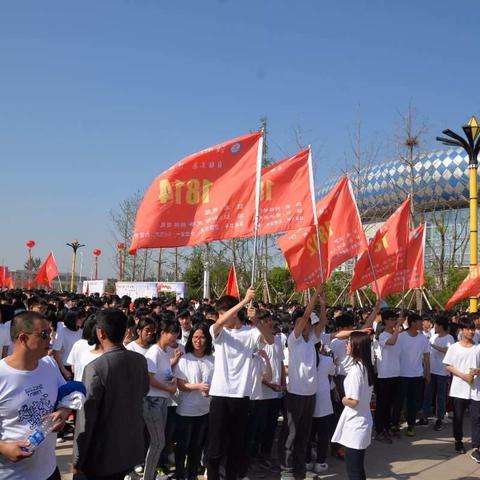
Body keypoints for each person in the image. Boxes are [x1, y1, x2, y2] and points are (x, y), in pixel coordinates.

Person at [73, 309, 149, 480]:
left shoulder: (96, 367)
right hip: (130, 447)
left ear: (100, 332)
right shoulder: (139, 361)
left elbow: (86, 418)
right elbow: (144, 391)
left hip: (102, 454)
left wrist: (77, 459)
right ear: (126, 332)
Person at [207, 287, 273, 480]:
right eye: (220, 314)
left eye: (223, 313)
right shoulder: (218, 332)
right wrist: (244, 301)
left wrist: (256, 321)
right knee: (215, 446)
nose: (221, 317)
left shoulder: (250, 333)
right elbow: (218, 323)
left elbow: (269, 340)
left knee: (237, 445)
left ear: (235, 314)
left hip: (242, 396)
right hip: (220, 394)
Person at [0, 311, 70, 480]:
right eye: (44, 335)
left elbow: (68, 394)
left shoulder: (50, 364)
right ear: (23, 338)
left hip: (49, 471)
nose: (50, 340)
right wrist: (3, 448)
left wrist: (63, 412)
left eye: (50, 333)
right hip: (11, 475)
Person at [331, 331, 374, 480]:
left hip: (355, 423)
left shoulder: (356, 370)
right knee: (358, 468)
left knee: (353, 469)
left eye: (349, 342)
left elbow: (353, 401)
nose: (346, 345)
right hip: (361, 420)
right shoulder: (365, 367)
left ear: (356, 346)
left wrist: (343, 399)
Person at [175, 322, 214, 480]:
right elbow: (181, 384)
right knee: (183, 445)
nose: (198, 340)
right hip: (186, 410)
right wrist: (198, 386)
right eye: (195, 337)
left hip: (205, 410)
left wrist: (209, 389)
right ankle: (179, 474)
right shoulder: (185, 359)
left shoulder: (213, 360)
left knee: (196, 447)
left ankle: (192, 474)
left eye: (202, 337)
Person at [143, 318, 180, 480]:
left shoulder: (164, 353)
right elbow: (148, 378)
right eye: (173, 334)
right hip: (153, 401)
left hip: (162, 401)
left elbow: (162, 374)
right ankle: (148, 477)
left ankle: (150, 475)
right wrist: (169, 388)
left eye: (177, 335)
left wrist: (171, 382)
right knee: (158, 442)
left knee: (159, 442)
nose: (175, 338)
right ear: (163, 333)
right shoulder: (153, 352)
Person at [443, 317, 480, 458]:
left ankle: (477, 446)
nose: (471, 331)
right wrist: (462, 375)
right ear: (462, 330)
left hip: (476, 389)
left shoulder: (478, 348)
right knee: (458, 417)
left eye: (473, 329)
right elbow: (448, 365)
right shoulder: (454, 347)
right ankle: (458, 440)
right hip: (459, 389)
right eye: (468, 329)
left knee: (476, 418)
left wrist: (477, 371)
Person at [393, 312, 431, 437]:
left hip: (417, 375)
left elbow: (426, 356)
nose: (422, 324)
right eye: (420, 321)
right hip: (402, 374)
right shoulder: (401, 336)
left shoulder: (423, 338)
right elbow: (395, 355)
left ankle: (411, 425)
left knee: (413, 402)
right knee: (398, 400)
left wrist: (427, 373)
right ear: (413, 323)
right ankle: (394, 423)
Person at [418, 316, 454, 430]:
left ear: (441, 326)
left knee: (441, 397)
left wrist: (433, 345)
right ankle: (425, 417)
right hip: (431, 371)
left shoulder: (450, 338)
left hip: (442, 372)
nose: (435, 327)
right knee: (427, 394)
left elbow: (447, 350)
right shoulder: (433, 337)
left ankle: (440, 418)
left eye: (436, 326)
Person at [373, 309, 402, 442]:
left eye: (395, 319)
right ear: (385, 321)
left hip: (396, 373)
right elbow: (392, 342)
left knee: (391, 403)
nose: (394, 321)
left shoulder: (397, 335)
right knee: (382, 404)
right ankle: (379, 430)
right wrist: (397, 329)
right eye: (391, 319)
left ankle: (387, 427)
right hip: (384, 375)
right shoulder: (382, 335)